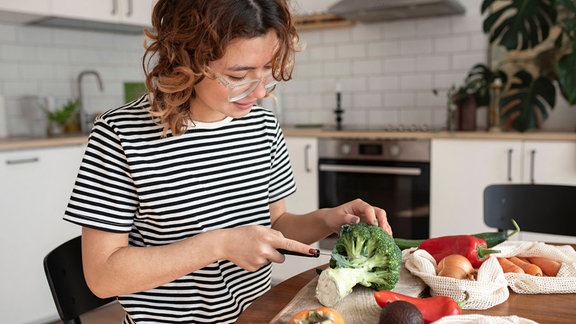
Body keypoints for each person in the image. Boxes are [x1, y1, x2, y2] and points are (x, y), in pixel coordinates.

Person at [63, 0, 393, 323]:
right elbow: (103, 276)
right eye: (238, 74)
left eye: (267, 70)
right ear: (186, 59)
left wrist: (329, 220)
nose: (260, 91)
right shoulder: (120, 134)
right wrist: (219, 244)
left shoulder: (261, 126)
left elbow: (274, 225)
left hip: (258, 316)